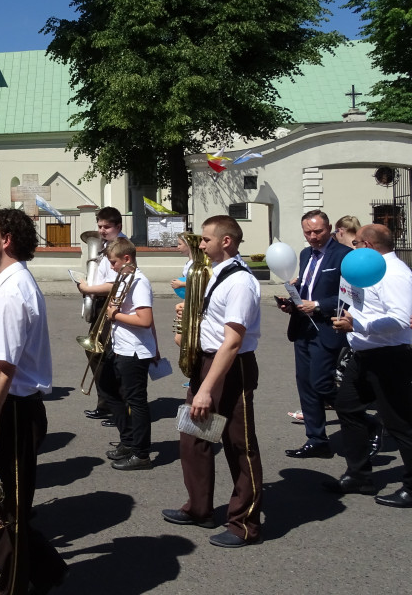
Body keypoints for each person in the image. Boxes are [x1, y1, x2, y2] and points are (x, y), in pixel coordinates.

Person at [0, 209, 65, 595]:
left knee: (12, 512)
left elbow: (4, 369)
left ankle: (17, 586)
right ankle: (48, 569)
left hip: (15, 411)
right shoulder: (4, 284)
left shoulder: (11, 291)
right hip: (3, 405)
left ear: (5, 239)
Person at [162, 215, 263, 548]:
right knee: (193, 437)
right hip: (207, 362)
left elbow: (233, 341)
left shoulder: (241, 281)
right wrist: (189, 313)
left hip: (232, 367)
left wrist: (206, 389)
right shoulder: (215, 273)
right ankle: (200, 508)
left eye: (205, 240)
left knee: (239, 446)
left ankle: (244, 524)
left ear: (226, 242)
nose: (200, 245)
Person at [328, 224, 412, 507]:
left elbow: (400, 319)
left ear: (368, 245)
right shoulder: (367, 268)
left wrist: (358, 324)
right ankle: (359, 474)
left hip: (390, 357)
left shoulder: (395, 273)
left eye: (356, 244)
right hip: (363, 355)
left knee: (399, 423)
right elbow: (362, 304)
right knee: (347, 406)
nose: (353, 249)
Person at [276, 210, 349, 458]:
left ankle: (361, 420)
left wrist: (316, 305)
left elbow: (347, 297)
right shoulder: (306, 253)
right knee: (306, 385)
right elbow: (307, 285)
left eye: (318, 231)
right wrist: (291, 300)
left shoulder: (344, 255)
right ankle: (316, 439)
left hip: (328, 328)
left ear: (330, 229)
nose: (313, 237)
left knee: (321, 382)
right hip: (303, 327)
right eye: (308, 232)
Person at [102, 238, 160, 470]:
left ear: (127, 259)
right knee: (115, 394)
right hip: (122, 347)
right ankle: (128, 441)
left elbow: (145, 320)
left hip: (134, 351)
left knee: (136, 403)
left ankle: (141, 454)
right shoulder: (125, 278)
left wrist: (114, 315)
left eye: (113, 262)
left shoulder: (139, 282)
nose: (112, 267)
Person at [75, 206, 125, 424]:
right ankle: (105, 403)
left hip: (112, 306)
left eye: (107, 227)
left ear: (118, 227)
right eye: (100, 226)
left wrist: (88, 289)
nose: (102, 231)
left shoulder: (122, 248)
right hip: (100, 305)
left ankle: (118, 408)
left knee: (109, 357)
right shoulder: (104, 246)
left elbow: (114, 284)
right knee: (94, 353)